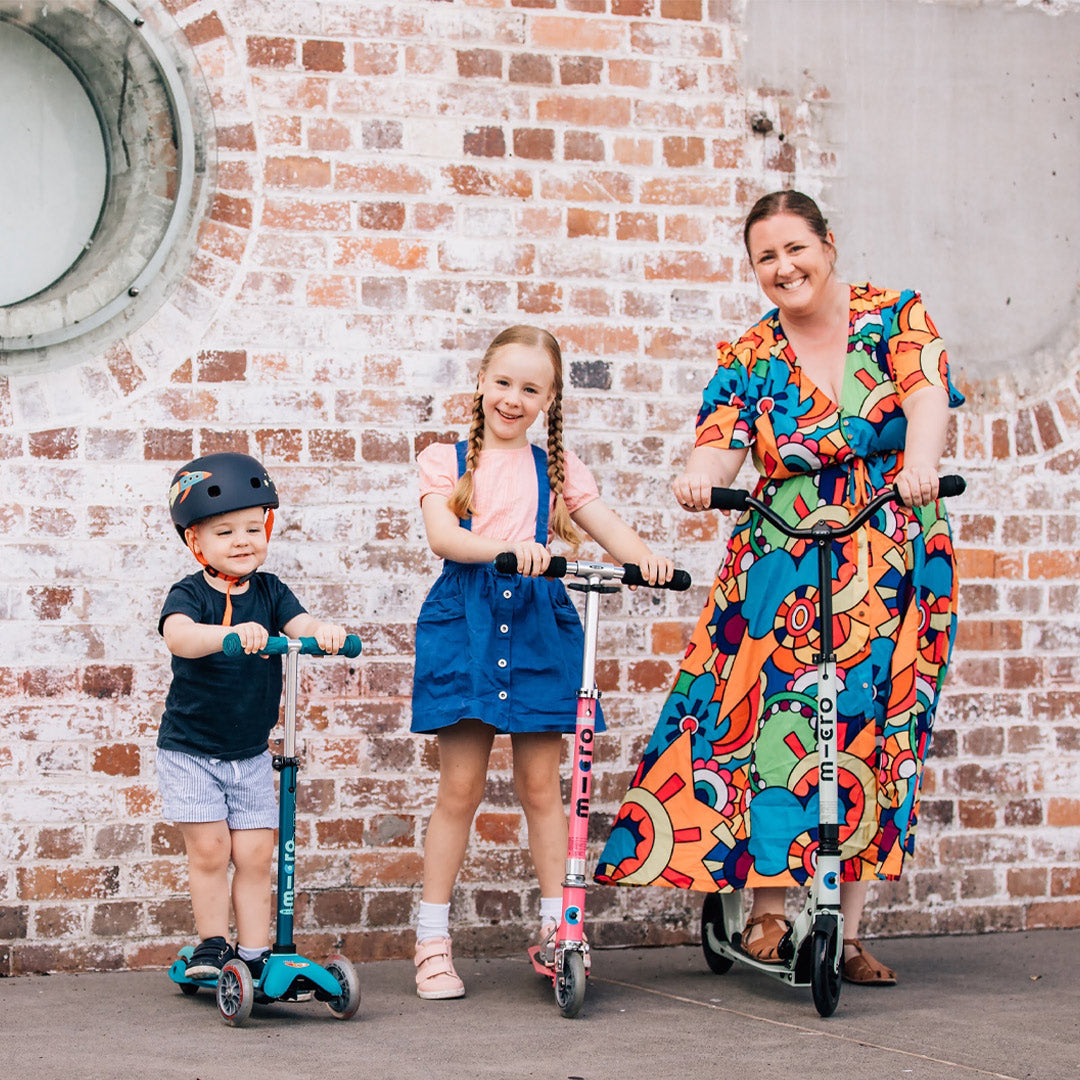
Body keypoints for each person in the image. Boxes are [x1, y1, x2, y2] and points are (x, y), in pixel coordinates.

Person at [594, 190, 963, 985]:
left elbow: (927, 396)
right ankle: (768, 907)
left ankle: (847, 929)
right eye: (766, 257)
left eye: (796, 248)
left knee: (876, 730)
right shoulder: (750, 352)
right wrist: (699, 479)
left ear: (828, 244)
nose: (784, 267)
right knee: (772, 724)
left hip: (892, 546)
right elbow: (719, 443)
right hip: (784, 557)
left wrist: (923, 461)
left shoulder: (896, 313)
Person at [410, 324, 675, 999]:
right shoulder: (448, 458)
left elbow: (605, 524)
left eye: (530, 388)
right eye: (503, 382)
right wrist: (501, 545)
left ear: (549, 399)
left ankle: (564, 931)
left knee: (541, 788)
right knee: (460, 789)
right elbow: (444, 534)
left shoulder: (556, 470)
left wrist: (644, 557)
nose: (513, 398)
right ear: (481, 381)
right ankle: (432, 942)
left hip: (535, 626)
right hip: (468, 623)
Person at [158, 451, 348, 981]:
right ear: (196, 542)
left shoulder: (270, 591)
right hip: (191, 751)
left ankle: (256, 954)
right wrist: (227, 636)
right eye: (225, 532)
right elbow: (179, 634)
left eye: (251, 527)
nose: (242, 541)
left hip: (248, 754)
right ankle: (213, 947)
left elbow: (300, 621)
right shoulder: (190, 593)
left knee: (258, 853)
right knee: (213, 850)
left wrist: (322, 631)